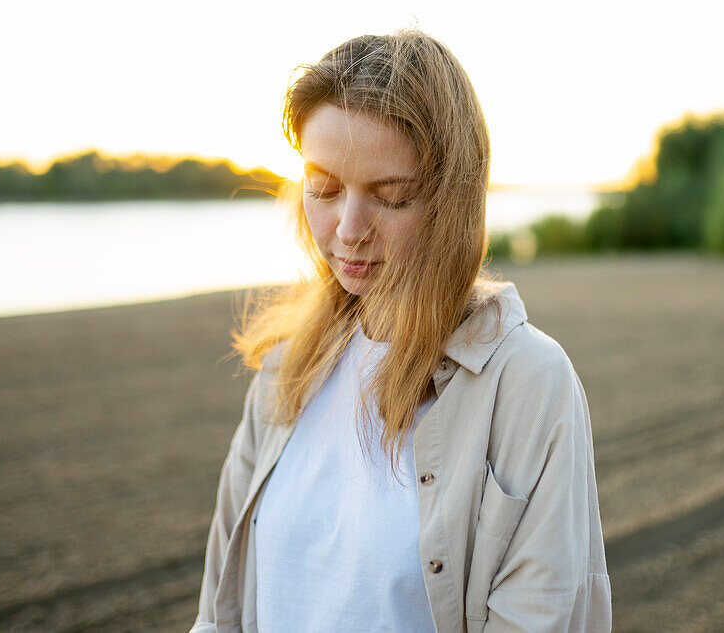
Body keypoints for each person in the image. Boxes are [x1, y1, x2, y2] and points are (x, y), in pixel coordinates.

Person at [191, 31, 611, 632]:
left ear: (452, 201)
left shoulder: (528, 385)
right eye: (324, 189)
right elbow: (218, 615)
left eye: (392, 198)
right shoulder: (286, 370)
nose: (349, 228)